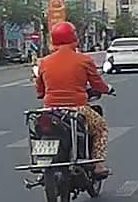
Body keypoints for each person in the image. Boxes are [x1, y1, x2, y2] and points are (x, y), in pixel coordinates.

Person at [34, 22, 113, 177]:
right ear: (74, 37)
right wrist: (108, 89)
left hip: (50, 110)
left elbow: (40, 90)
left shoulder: (44, 62)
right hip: (77, 109)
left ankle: (42, 161)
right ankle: (97, 165)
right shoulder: (84, 60)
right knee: (101, 128)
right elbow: (97, 84)